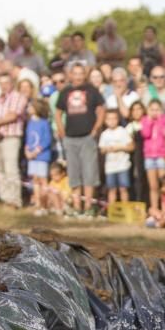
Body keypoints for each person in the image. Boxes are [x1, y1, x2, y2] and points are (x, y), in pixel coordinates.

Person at [55, 62, 106, 216]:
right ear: (70, 75)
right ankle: (77, 206)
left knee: (89, 172)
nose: (77, 76)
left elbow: (102, 109)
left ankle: (89, 206)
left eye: (80, 73)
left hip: (87, 138)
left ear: (85, 75)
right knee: (74, 173)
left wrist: (95, 129)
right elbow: (58, 112)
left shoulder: (92, 90)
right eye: (75, 73)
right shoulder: (65, 92)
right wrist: (62, 131)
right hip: (70, 138)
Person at [0, 73, 27, 209]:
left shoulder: (18, 97)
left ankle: (14, 200)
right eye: (1, 83)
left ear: (12, 83)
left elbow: (12, 115)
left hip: (11, 137)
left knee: (11, 168)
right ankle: (5, 198)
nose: (4, 86)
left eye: (6, 83)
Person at [99, 108, 135, 208]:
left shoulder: (122, 131)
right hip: (110, 167)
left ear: (118, 119)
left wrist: (119, 147)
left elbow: (131, 146)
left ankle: (125, 209)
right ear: (105, 121)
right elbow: (101, 149)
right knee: (112, 189)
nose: (111, 121)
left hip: (123, 166)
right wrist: (108, 148)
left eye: (114, 118)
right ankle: (112, 210)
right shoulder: (104, 134)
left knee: (123, 188)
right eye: (109, 119)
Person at [25, 98, 55, 215]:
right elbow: (28, 138)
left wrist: (36, 151)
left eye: (31, 107)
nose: (28, 109)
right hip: (32, 157)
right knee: (35, 179)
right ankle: (37, 202)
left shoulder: (44, 123)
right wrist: (27, 150)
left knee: (43, 180)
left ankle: (44, 204)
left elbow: (47, 140)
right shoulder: (30, 122)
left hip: (42, 156)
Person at [140, 98, 165, 212]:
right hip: (149, 157)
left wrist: (160, 120)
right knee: (153, 186)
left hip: (161, 155)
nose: (154, 112)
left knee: (164, 185)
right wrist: (149, 121)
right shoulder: (145, 121)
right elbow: (145, 134)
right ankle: (154, 208)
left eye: (157, 109)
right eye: (152, 109)